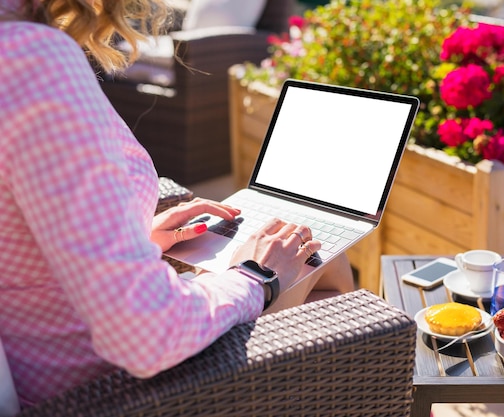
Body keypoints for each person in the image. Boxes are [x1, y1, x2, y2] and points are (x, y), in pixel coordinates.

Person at [0, 0, 354, 408]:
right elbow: (144, 336)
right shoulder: (32, 62)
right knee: (318, 256)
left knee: (305, 251)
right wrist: (255, 276)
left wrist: (133, 238)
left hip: (43, 359)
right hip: (117, 391)